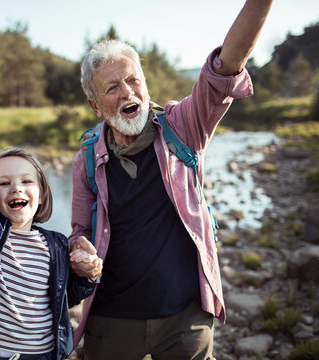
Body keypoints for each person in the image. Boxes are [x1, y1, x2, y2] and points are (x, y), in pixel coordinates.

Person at [68, 1, 274, 359]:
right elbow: (79, 231)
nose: (128, 92)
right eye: (113, 87)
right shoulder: (87, 157)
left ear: (146, 86)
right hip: (112, 318)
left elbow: (226, 67)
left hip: (185, 317)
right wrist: (79, 251)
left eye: (134, 80)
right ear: (96, 106)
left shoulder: (183, 129)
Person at [0, 68, 103, 360]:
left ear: (41, 193)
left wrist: (87, 273)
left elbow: (64, 296)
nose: (16, 188)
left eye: (26, 181)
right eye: (3, 183)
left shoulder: (55, 244)